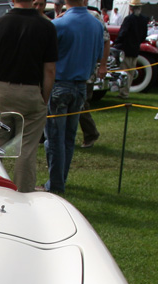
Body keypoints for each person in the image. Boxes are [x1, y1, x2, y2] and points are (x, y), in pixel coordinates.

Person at [0, 0, 58, 193]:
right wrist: (44, 98)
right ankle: (23, 193)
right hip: (32, 91)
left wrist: (0, 60)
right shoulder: (47, 26)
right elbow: (49, 70)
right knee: (27, 150)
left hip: (4, 90)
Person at [43, 0, 102, 193]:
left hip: (60, 83)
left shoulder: (59, 24)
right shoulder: (96, 24)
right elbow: (99, 55)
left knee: (54, 137)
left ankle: (56, 183)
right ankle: (61, 179)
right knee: (69, 136)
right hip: (81, 85)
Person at [79, 3, 109, 148]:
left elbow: (106, 41)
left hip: (87, 70)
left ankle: (91, 133)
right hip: (69, 70)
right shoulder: (64, 16)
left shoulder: (94, 16)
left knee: (81, 104)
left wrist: (103, 65)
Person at [114, 0, 149, 98]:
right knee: (131, 71)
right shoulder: (143, 19)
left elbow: (123, 33)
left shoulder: (129, 19)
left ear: (131, 8)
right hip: (135, 49)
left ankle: (123, 92)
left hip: (125, 48)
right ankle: (126, 91)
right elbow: (144, 35)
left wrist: (116, 42)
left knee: (124, 71)